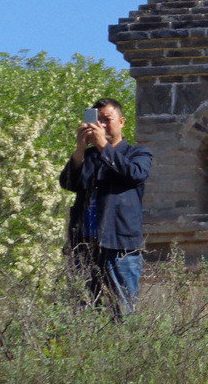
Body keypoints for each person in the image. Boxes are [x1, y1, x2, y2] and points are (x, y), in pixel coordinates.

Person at [60, 97, 153, 316]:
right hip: (84, 243)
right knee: (81, 311)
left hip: (119, 244)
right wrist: (80, 150)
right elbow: (68, 183)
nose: (100, 125)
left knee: (121, 311)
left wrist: (103, 146)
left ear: (121, 122)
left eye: (106, 119)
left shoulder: (138, 153)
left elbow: (134, 174)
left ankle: (125, 348)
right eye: (96, 120)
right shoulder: (88, 157)